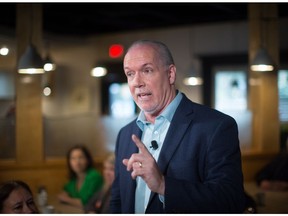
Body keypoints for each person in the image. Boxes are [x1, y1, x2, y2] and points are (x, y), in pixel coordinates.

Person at [109, 39, 245, 213]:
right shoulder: (125, 134)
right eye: (129, 74)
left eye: (147, 70)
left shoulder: (216, 126)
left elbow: (230, 200)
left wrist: (163, 185)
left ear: (171, 74)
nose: (137, 82)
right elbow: (117, 201)